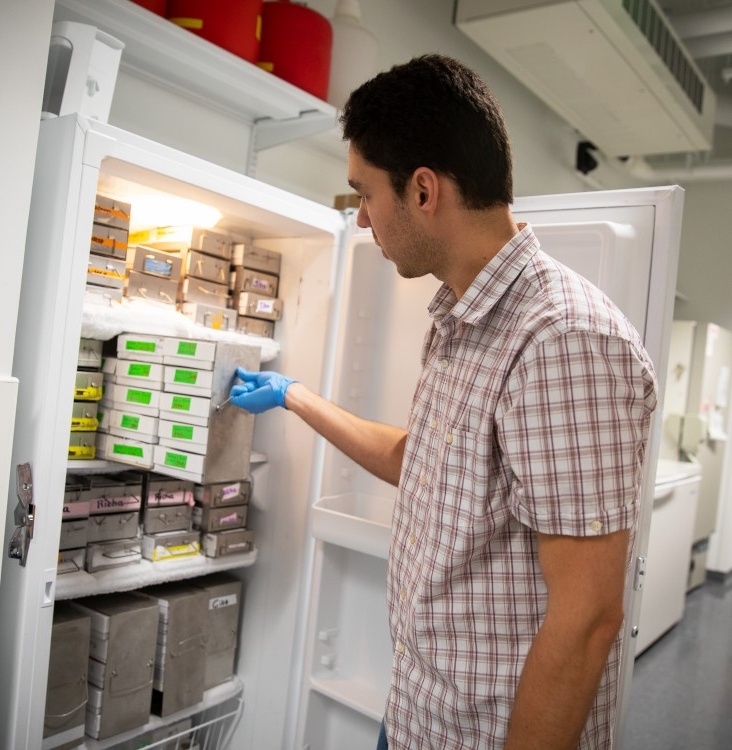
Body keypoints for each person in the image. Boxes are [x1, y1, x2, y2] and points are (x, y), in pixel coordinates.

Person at [230, 54, 658, 750]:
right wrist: (295, 397)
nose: (363, 221)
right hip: (417, 714)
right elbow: (422, 460)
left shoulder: (562, 339)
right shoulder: (462, 319)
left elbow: (586, 619)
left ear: (423, 190)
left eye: (365, 194)